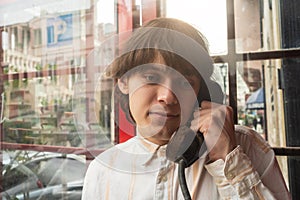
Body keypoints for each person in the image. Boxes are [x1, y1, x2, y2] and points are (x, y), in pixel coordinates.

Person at [82, 18, 290, 199]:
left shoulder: (246, 145)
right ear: (124, 82)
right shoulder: (103, 171)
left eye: (184, 83)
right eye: (151, 78)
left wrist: (228, 161)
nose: (168, 96)